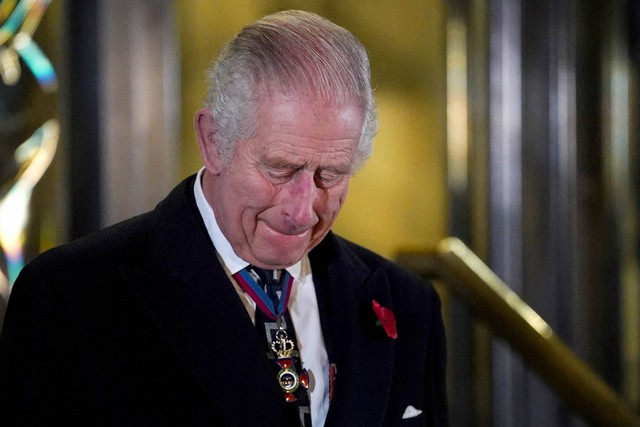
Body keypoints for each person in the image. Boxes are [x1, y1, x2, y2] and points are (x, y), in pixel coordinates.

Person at [0, 10, 448, 427]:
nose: (302, 209)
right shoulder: (71, 296)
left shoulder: (407, 304)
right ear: (213, 141)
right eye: (280, 169)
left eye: (330, 175)